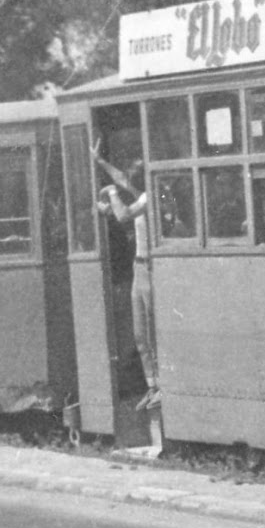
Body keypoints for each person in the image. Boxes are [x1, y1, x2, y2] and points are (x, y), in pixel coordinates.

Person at [94, 142, 161, 411]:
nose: (126, 182)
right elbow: (120, 179)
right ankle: (152, 385)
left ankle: (160, 386)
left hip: (150, 268)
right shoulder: (141, 194)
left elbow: (123, 214)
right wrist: (100, 162)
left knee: (152, 333)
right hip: (138, 268)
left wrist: (111, 195)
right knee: (140, 334)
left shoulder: (150, 198)